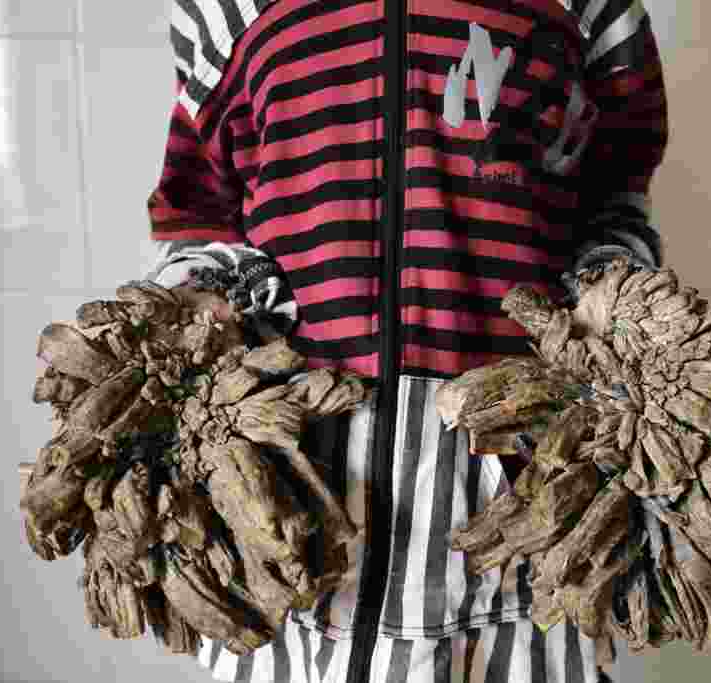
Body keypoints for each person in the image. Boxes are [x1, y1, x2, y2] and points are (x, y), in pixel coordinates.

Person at [142, 1, 668, 681]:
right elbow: (200, 214)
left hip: (518, 557)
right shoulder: (223, 9)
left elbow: (616, 191)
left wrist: (615, 290)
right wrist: (192, 304)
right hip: (288, 548)